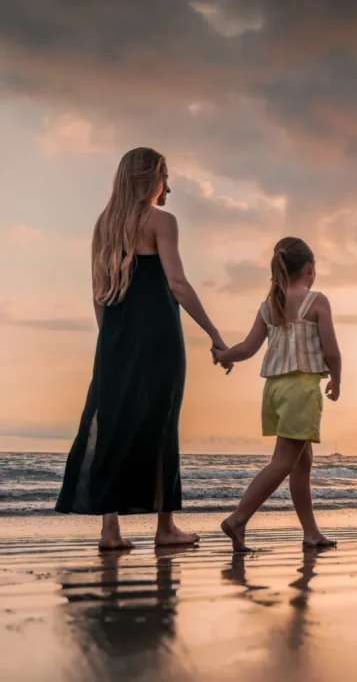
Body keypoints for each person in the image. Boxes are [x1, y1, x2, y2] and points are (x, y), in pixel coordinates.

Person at [56, 147, 230, 550]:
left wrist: (113, 341)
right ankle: (165, 527)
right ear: (150, 178)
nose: (169, 185)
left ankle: (110, 530)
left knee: (112, 424)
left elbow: (98, 293)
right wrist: (214, 333)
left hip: (114, 338)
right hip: (158, 337)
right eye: (165, 176)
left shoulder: (105, 225)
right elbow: (177, 283)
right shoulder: (162, 221)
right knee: (160, 423)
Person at [214, 237, 341, 552]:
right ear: (310, 269)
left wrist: (225, 355)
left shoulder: (269, 304)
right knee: (284, 460)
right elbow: (332, 351)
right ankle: (239, 518)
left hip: (274, 389)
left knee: (301, 462)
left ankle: (311, 533)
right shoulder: (317, 301)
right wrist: (336, 380)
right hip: (301, 388)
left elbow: (247, 348)